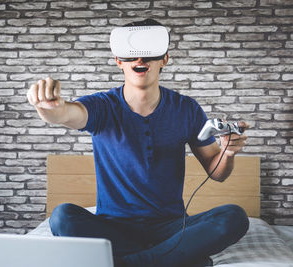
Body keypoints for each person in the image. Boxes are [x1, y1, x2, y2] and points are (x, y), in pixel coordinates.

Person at [27, 19, 250, 267]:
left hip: (172, 227)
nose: (140, 60)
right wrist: (48, 109)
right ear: (119, 60)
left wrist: (227, 153)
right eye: (132, 54)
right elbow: (67, 114)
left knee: (234, 217)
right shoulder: (102, 106)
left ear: (164, 59)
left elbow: (216, 171)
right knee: (62, 217)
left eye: (149, 53)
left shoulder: (186, 108)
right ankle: (168, 258)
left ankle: (129, 262)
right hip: (113, 228)